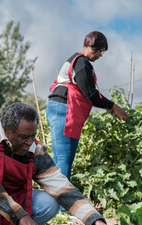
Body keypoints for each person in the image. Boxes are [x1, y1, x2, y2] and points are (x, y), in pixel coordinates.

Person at [0, 102, 124, 225]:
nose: (30, 142)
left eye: (33, 136)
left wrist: (98, 222)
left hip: (10, 203)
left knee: (49, 202)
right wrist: (21, 216)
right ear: (7, 130)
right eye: (23, 137)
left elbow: (62, 188)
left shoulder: (35, 150)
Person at [46, 31, 128, 181]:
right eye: (101, 53)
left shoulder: (76, 60)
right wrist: (114, 107)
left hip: (61, 108)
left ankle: (61, 200)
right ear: (94, 48)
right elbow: (91, 94)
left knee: (63, 158)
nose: (99, 57)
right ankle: (63, 202)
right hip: (63, 108)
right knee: (63, 158)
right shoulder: (82, 63)